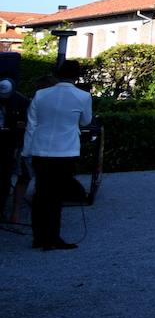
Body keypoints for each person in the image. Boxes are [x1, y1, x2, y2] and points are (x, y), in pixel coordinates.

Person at [23, 60, 92, 250]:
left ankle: (38, 237)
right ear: (77, 76)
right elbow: (85, 121)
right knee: (56, 196)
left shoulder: (41, 94)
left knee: (41, 193)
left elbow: (32, 124)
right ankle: (52, 237)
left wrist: (26, 150)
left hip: (40, 148)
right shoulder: (83, 96)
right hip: (65, 150)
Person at [0, 78, 31, 219]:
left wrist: (20, 126)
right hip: (9, 140)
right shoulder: (20, 100)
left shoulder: (21, 101)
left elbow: (26, 121)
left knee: (5, 175)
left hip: (9, 141)